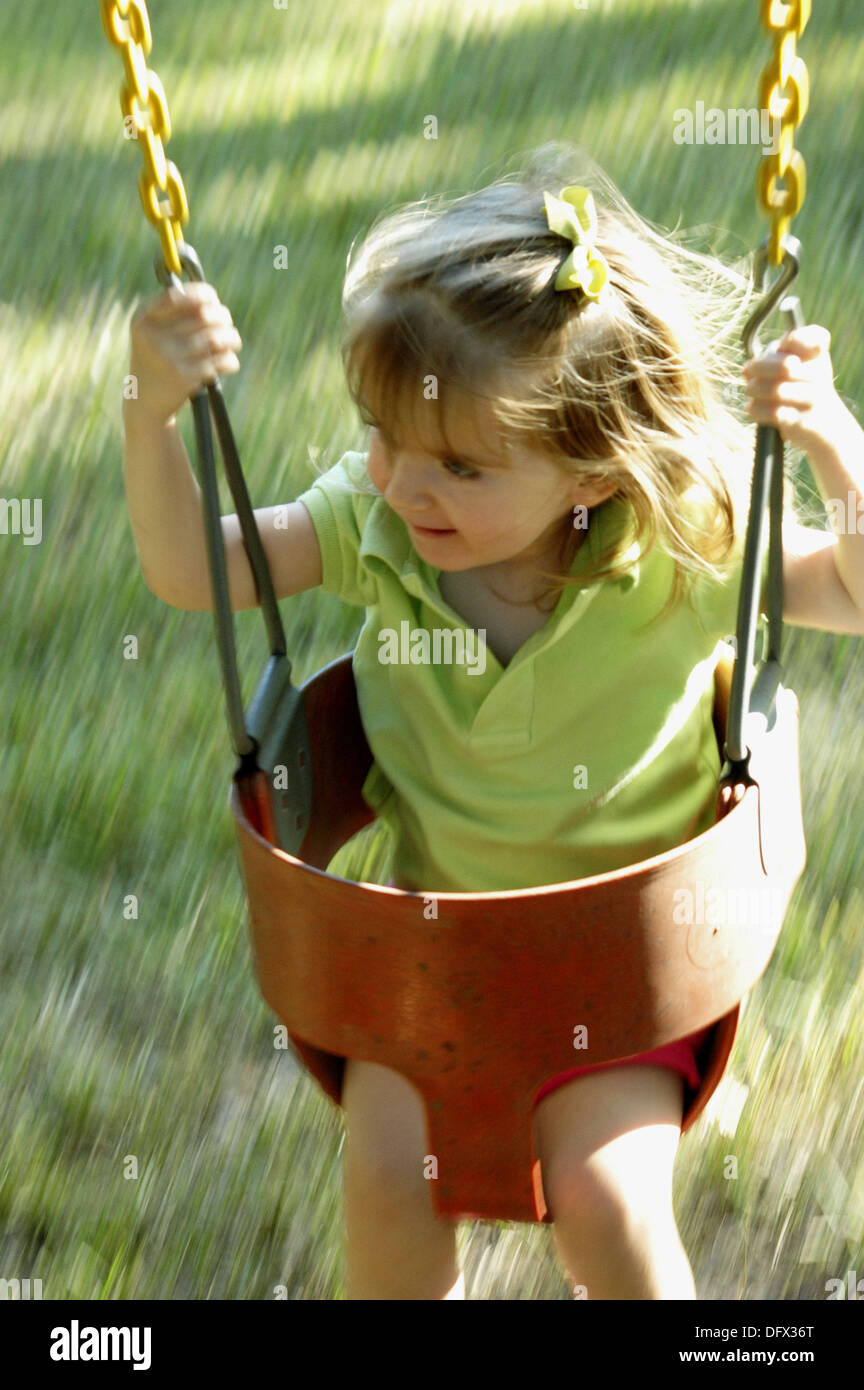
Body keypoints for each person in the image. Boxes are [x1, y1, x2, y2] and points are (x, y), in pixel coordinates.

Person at [122, 144, 864, 1300]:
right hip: (434, 965)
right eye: (385, 439)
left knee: (605, 1202)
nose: (408, 487)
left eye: (462, 468)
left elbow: (857, 595)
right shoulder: (376, 529)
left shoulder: (679, 552)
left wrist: (827, 438)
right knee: (384, 1180)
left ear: (591, 471)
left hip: (625, 980)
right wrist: (152, 415)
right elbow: (189, 572)